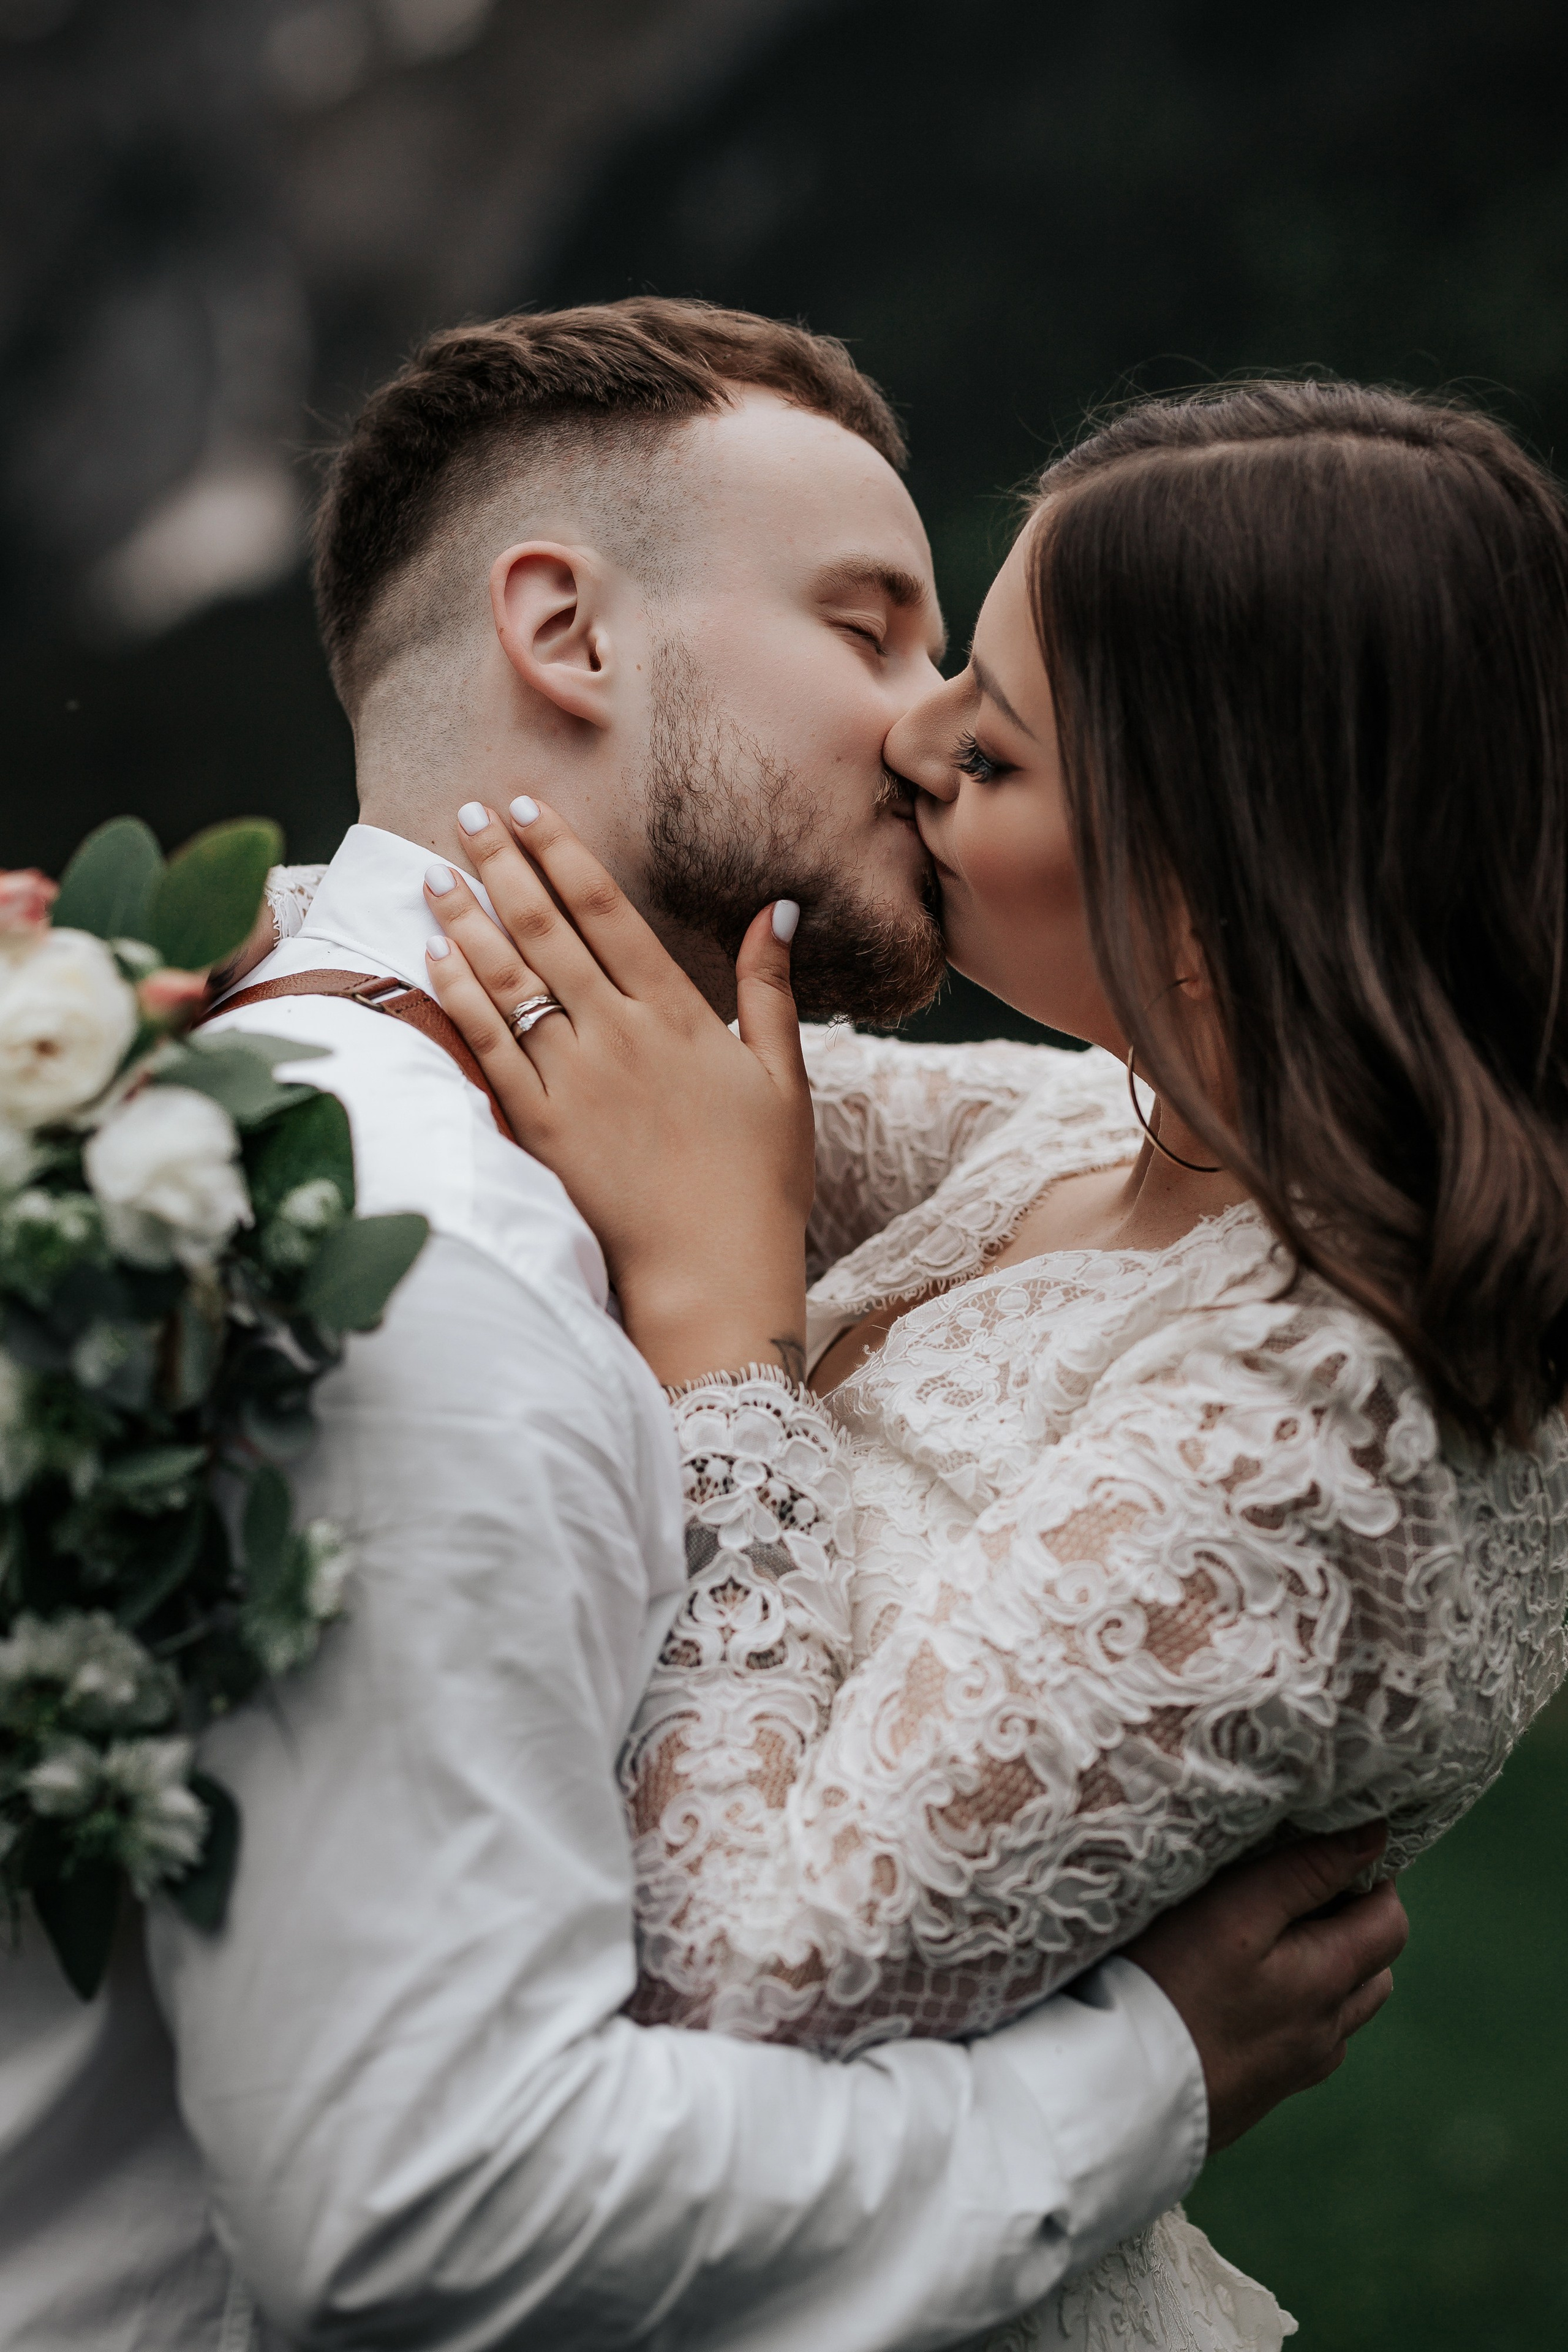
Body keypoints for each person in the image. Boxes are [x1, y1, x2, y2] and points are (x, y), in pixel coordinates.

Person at [0, 308, 1405, 2352]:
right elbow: (427, 2208)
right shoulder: (421, 1271)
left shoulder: (203, 1090)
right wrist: (1144, 2075)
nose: (930, 734)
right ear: (565, 632)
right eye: (870, 627)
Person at [413, 376, 1568, 2348]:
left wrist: (724, 1340)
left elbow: (739, 1983)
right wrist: (135, 990)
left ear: (1214, 876)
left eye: (997, 744)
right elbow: (633, 1068)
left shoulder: (1328, 1426)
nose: (913, 736)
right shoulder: (1103, 1142)